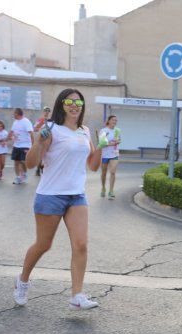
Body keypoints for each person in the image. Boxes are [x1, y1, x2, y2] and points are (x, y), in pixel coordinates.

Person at [13, 88, 105, 310]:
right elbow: (32, 163)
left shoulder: (84, 130)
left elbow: (92, 165)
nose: (74, 106)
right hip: (50, 195)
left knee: (81, 244)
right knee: (43, 245)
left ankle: (77, 295)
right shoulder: (51, 129)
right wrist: (38, 141)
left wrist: (101, 145)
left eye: (78, 103)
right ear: (61, 105)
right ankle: (22, 280)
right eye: (69, 101)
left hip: (76, 196)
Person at [9, 108, 34, 184]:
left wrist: (33, 145)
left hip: (25, 145)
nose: (13, 115)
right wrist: (7, 139)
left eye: (14, 113)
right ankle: (18, 177)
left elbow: (31, 133)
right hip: (16, 145)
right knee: (16, 162)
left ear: (19, 114)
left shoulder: (26, 122)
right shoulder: (15, 122)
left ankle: (24, 174)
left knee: (23, 161)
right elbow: (12, 132)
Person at [99, 115, 121, 199]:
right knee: (104, 173)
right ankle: (103, 188)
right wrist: (112, 143)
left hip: (114, 154)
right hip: (105, 154)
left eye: (116, 121)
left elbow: (119, 140)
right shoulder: (103, 130)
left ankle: (111, 191)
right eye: (113, 120)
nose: (114, 122)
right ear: (108, 121)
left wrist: (118, 141)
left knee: (113, 172)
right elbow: (102, 143)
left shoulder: (117, 131)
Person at [33, 106, 51, 176]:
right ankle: (38, 168)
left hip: (49, 140)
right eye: (45, 111)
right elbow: (35, 128)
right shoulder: (40, 120)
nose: (46, 112)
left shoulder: (51, 120)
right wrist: (40, 127)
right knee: (41, 155)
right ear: (43, 112)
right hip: (42, 139)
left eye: (48, 111)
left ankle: (44, 168)